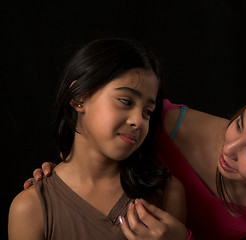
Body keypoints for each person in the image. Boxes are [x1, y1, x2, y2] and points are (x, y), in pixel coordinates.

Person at [26, 80, 246, 239]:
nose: (228, 150)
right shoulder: (166, 125)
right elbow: (101, 135)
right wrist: (68, 180)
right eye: (239, 124)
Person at [8, 38, 191, 240]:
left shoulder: (167, 194)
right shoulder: (31, 209)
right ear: (79, 97)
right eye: (125, 101)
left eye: (148, 111)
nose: (138, 121)